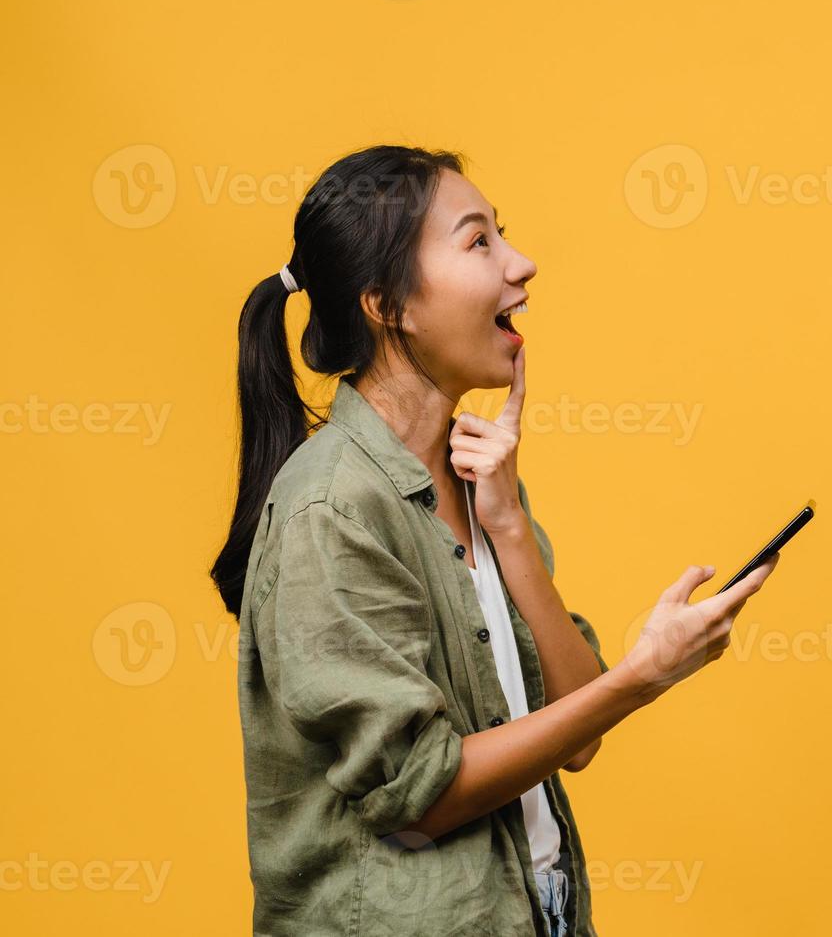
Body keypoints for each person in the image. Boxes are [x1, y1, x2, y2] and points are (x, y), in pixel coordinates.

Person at [209, 144, 778, 936]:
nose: (523, 264)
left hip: (536, 911)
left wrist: (507, 526)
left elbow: (575, 740)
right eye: (480, 241)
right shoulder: (330, 509)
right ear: (388, 305)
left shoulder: (479, 479)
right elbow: (424, 795)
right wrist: (646, 675)